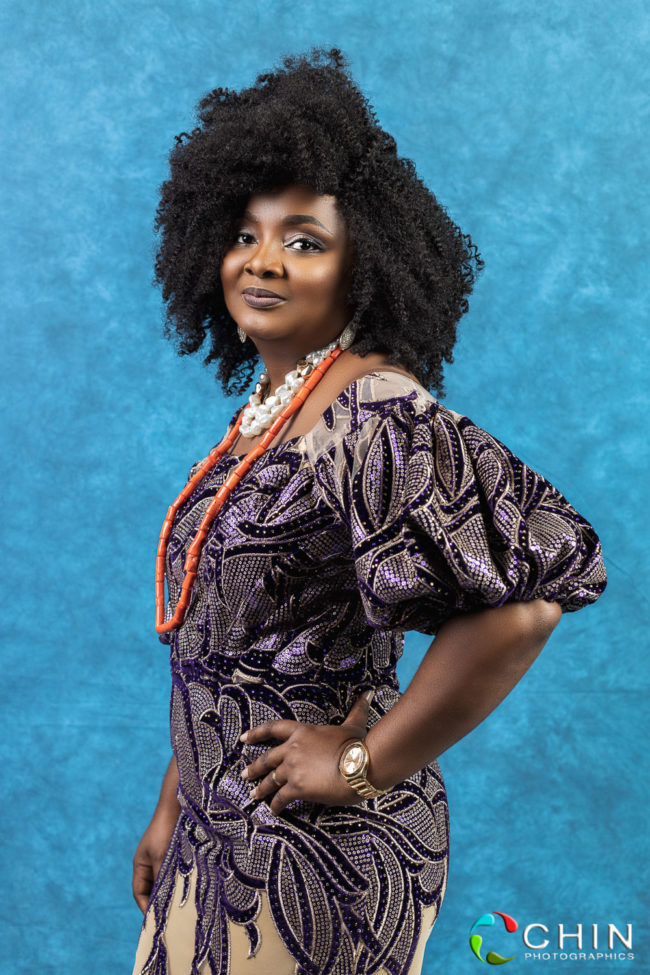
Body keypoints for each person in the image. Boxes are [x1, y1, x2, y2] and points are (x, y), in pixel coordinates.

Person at [131, 48, 607, 975]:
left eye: (304, 240)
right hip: (220, 830)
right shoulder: (271, 414)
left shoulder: (373, 410)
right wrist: (175, 802)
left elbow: (527, 602)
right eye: (244, 234)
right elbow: (228, 642)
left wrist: (360, 764)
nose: (263, 260)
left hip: (313, 852)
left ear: (364, 263)